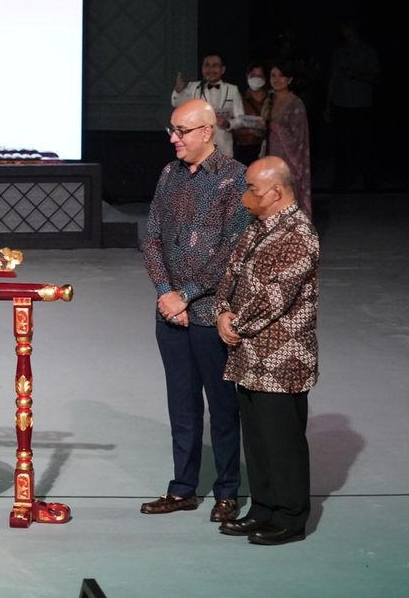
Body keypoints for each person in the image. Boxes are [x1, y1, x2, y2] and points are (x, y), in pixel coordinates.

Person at [141, 98, 252, 523]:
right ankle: (182, 488)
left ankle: (227, 490)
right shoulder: (168, 175)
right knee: (181, 407)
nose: (173, 138)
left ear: (207, 132)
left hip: (210, 316)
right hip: (170, 315)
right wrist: (166, 292)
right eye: (171, 130)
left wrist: (185, 295)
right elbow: (151, 237)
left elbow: (231, 252)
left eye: (181, 131)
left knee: (222, 409)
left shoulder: (234, 178)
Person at [215, 156, 320, 545]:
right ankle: (262, 508)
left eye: (252, 189)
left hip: (282, 358)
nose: (245, 197)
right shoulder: (258, 227)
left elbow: (275, 297)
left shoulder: (299, 234)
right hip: (248, 356)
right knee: (257, 440)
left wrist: (235, 326)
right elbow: (231, 273)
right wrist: (222, 312)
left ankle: (290, 517)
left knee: (283, 441)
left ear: (276, 192)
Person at [324, 19, 380, 191]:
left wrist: (354, 74)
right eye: (343, 29)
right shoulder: (339, 52)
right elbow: (332, 79)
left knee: (364, 144)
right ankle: (341, 180)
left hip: (361, 105)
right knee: (341, 145)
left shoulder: (368, 52)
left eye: (348, 29)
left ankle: (369, 180)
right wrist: (327, 105)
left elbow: (375, 77)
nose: (345, 33)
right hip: (341, 104)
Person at [263, 62, 312, 219]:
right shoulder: (269, 100)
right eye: (273, 76)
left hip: (288, 162)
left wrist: (273, 127)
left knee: (287, 203)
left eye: (281, 76)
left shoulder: (296, 103)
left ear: (290, 79)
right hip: (268, 159)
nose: (277, 80)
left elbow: (298, 138)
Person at [172, 54, 245, 158]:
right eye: (207, 65)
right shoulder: (193, 87)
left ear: (222, 69)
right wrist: (179, 91)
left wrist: (228, 124)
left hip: (224, 148)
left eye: (215, 66)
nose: (210, 69)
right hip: (198, 149)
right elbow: (178, 104)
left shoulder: (233, 90)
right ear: (202, 68)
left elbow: (241, 119)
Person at [232, 63, 269, 166]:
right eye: (253, 75)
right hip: (244, 149)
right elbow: (232, 126)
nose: (256, 79)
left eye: (260, 76)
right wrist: (251, 131)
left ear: (265, 78)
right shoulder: (239, 99)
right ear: (247, 76)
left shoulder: (271, 99)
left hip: (268, 148)